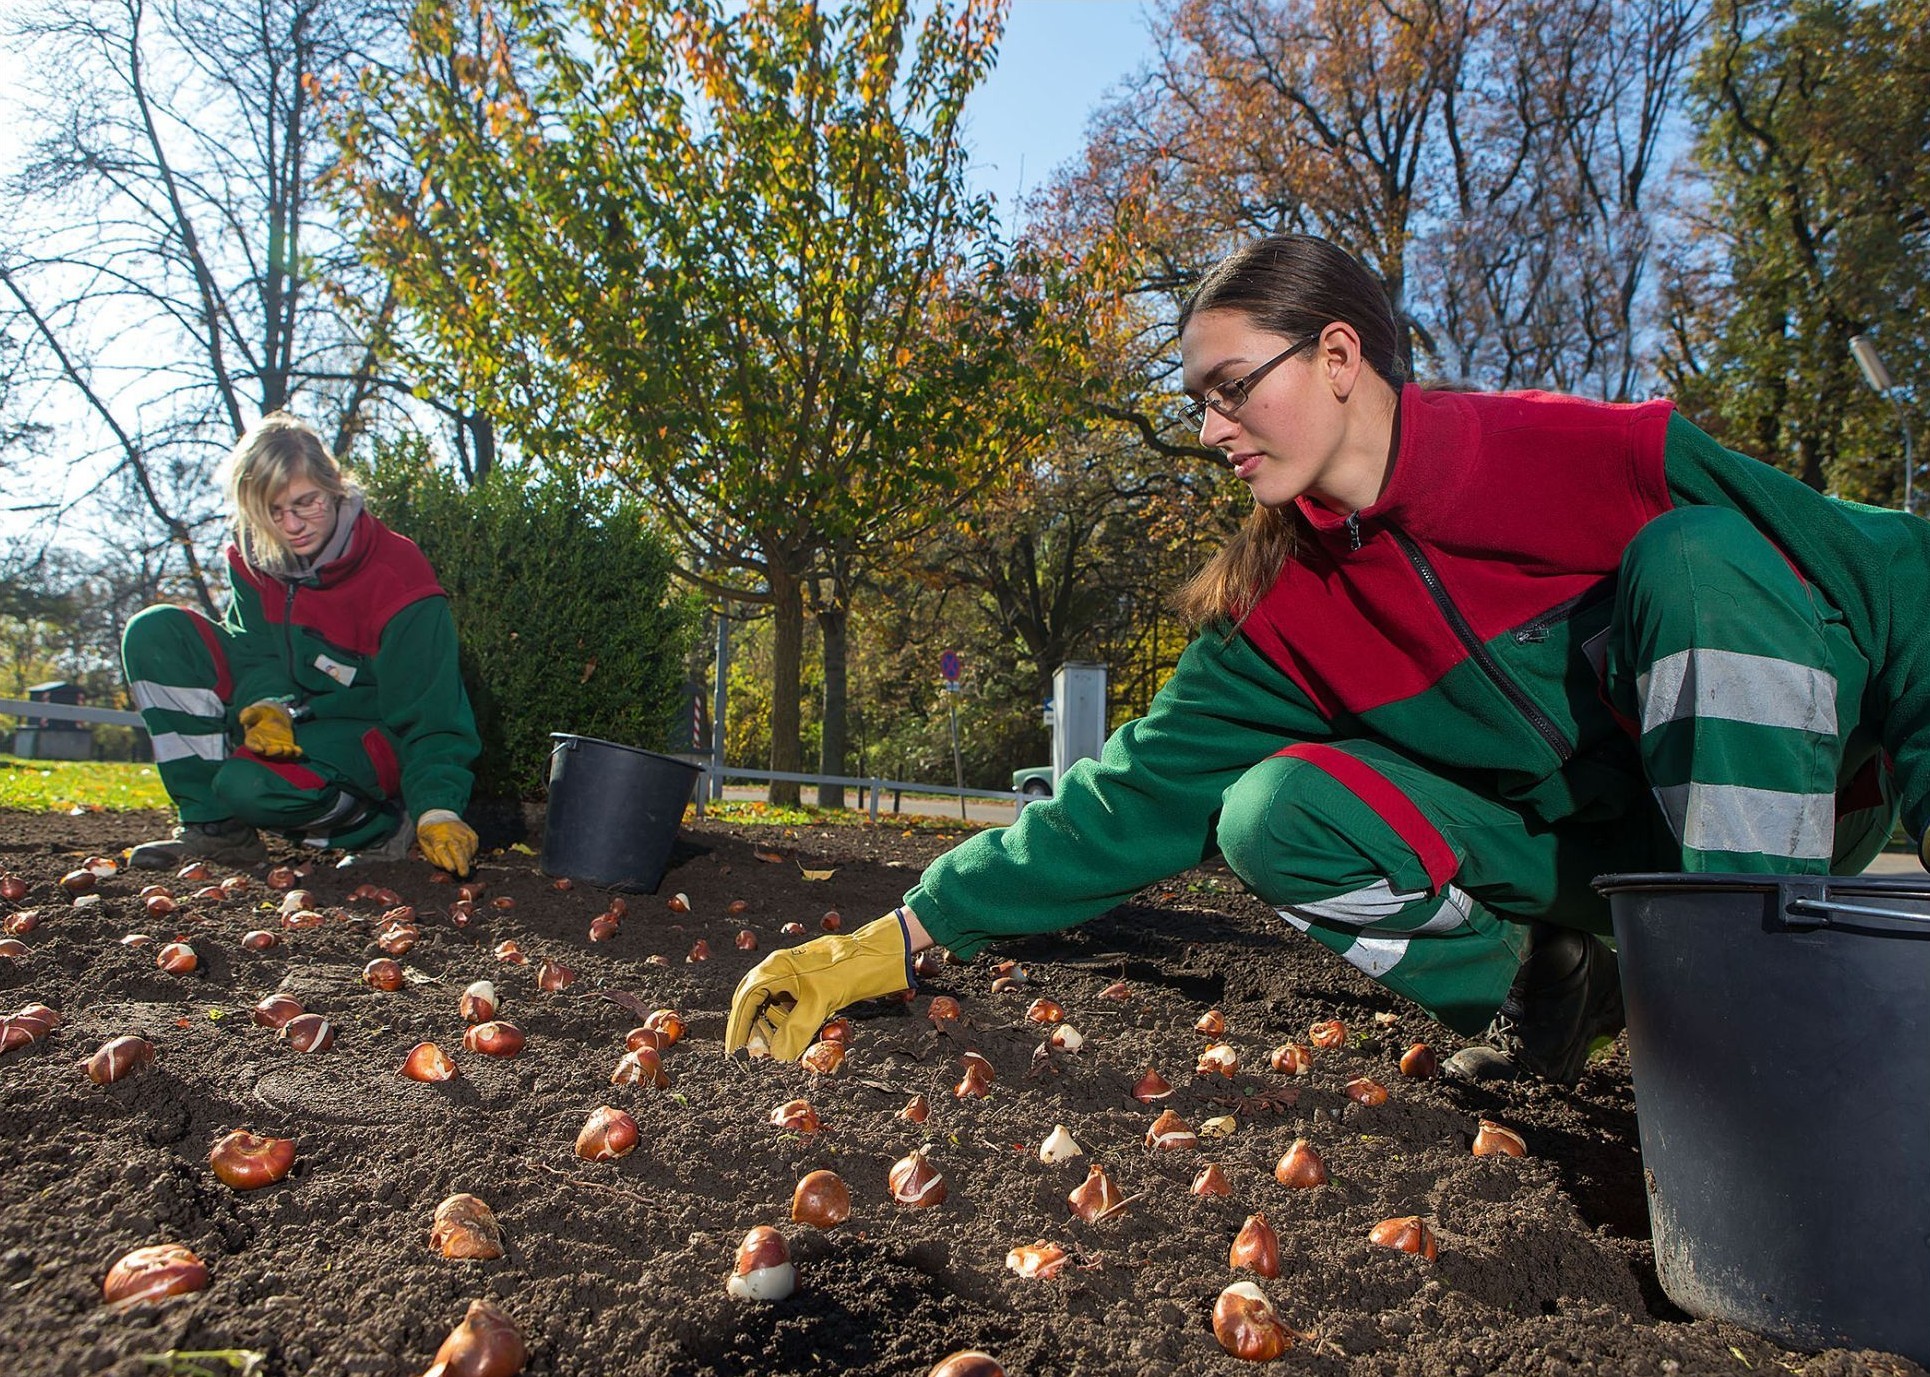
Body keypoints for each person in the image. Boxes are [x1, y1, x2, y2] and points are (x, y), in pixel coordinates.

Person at [726, 233, 1926, 1083]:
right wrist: (893, 939)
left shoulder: (1586, 456)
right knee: (1270, 811)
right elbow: (1126, 800)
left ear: (1339, 357)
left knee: (1696, 561)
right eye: (1198, 401)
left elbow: (1895, 584)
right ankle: (1550, 1000)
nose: (1208, 430)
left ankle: (1760, 1020)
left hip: (1789, 815)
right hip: (1590, 868)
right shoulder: (1281, 612)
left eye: (1230, 387)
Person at [122, 413, 482, 877]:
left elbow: (433, 715)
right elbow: (253, 650)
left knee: (250, 785)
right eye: (272, 512)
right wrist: (266, 704)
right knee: (155, 632)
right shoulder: (255, 558)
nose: (291, 526)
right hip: (294, 719)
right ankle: (217, 830)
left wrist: (438, 809)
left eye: (305, 502)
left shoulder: (396, 574)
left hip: (364, 733)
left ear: (333, 487)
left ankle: (383, 829)